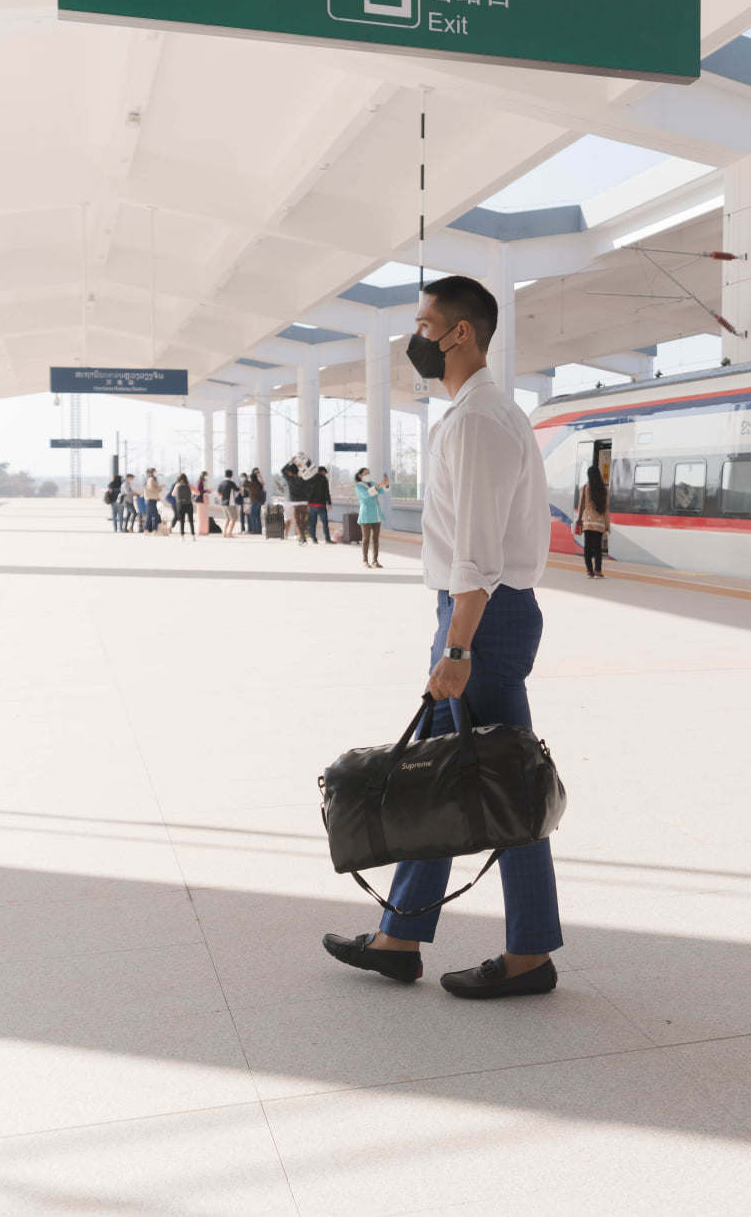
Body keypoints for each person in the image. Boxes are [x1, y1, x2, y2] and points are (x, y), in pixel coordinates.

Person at [324, 273, 559, 999]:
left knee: (495, 783)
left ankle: (520, 954)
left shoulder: (478, 421)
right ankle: (403, 938)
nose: (415, 339)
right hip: (484, 614)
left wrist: (456, 649)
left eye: (425, 325)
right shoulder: (483, 413)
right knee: (463, 774)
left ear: (461, 333)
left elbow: (477, 554)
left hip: (481, 618)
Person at [576, 462, 609, 578]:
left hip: (587, 522)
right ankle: (598, 571)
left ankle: (589, 571)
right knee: (598, 548)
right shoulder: (604, 490)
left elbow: (581, 505)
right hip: (599, 523)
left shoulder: (585, 487)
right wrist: (607, 525)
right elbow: (606, 509)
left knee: (588, 547)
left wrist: (579, 519)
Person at [354, 467, 389, 568]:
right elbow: (366, 494)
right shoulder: (358, 486)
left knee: (375, 539)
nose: (368, 475)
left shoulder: (372, 483)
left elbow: (383, 491)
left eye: (369, 473)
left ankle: (375, 560)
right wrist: (378, 486)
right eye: (366, 474)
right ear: (360, 475)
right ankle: (365, 561)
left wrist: (386, 484)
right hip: (366, 514)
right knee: (366, 539)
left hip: (376, 514)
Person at [284, 461, 312, 544]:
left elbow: (283, 470)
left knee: (296, 521)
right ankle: (302, 536)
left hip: (295, 503)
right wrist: (301, 465)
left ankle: (302, 538)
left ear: (290, 472)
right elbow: (309, 472)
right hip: (305, 502)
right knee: (302, 521)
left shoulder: (290, 480)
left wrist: (291, 461)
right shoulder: (305, 479)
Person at [310, 465, 333, 543]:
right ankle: (327, 539)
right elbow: (326, 492)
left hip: (311, 505)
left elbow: (308, 491)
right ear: (323, 472)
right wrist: (329, 502)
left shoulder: (311, 479)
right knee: (324, 522)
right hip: (320, 504)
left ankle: (313, 539)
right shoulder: (324, 479)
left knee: (313, 523)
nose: (325, 474)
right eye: (325, 473)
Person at [171, 472, 195, 538]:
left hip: (180, 505)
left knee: (182, 521)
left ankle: (182, 536)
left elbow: (173, 494)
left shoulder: (177, 485)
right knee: (191, 520)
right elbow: (197, 493)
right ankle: (193, 536)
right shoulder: (189, 485)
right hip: (189, 504)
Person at [216, 470, 239, 538]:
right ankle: (229, 533)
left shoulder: (221, 483)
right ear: (231, 476)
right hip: (230, 503)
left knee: (227, 518)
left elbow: (219, 494)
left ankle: (224, 533)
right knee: (234, 518)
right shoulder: (231, 483)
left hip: (223, 503)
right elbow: (238, 490)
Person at [244, 468, 266, 535]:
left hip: (254, 501)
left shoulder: (251, 484)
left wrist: (246, 478)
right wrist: (260, 477)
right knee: (257, 516)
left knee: (252, 515)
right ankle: (259, 530)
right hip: (260, 501)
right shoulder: (259, 484)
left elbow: (244, 484)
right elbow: (263, 484)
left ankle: (254, 529)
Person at [142, 469, 164, 534]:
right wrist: (161, 487)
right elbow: (152, 489)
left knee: (149, 516)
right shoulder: (150, 479)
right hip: (150, 500)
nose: (156, 473)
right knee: (155, 515)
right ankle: (154, 530)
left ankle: (146, 530)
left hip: (149, 499)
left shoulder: (148, 479)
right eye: (154, 472)